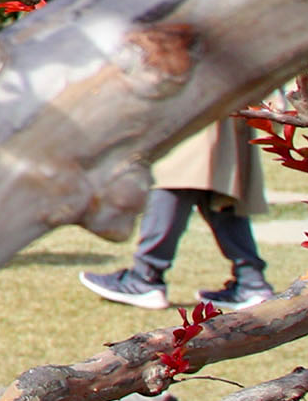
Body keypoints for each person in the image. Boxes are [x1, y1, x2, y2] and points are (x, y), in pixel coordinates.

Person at [79, 115, 272, 310]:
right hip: (225, 112)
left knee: (173, 177)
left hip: (198, 108)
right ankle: (251, 282)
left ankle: (145, 277)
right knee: (218, 189)